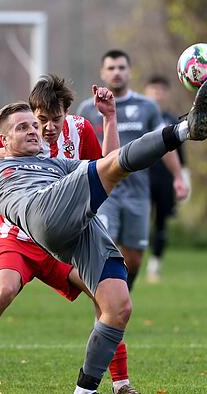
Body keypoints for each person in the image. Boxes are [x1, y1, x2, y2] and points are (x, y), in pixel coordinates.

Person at [0, 78, 207, 394]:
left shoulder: (65, 149)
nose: (43, 129)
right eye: (35, 123)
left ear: (67, 113)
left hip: (68, 229)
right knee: (3, 291)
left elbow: (111, 165)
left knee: (116, 304)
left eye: (53, 120)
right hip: (21, 236)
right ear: (7, 135)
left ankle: (110, 385)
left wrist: (109, 119)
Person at [77, 50, 188, 290]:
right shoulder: (87, 108)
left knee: (134, 258)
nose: (116, 72)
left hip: (138, 192)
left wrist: (178, 177)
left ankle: (119, 302)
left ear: (129, 71)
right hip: (104, 192)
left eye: (121, 67)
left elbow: (165, 144)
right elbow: (77, 149)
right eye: (111, 68)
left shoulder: (146, 107)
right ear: (102, 73)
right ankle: (105, 312)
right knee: (106, 253)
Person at [142, 75, 187, 283]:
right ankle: (130, 262)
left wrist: (183, 177)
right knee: (139, 221)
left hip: (164, 180)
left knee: (161, 223)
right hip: (141, 177)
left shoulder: (172, 121)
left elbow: (180, 153)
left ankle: (154, 266)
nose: (157, 93)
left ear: (166, 93)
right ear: (145, 91)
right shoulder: (138, 118)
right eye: (153, 89)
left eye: (161, 89)